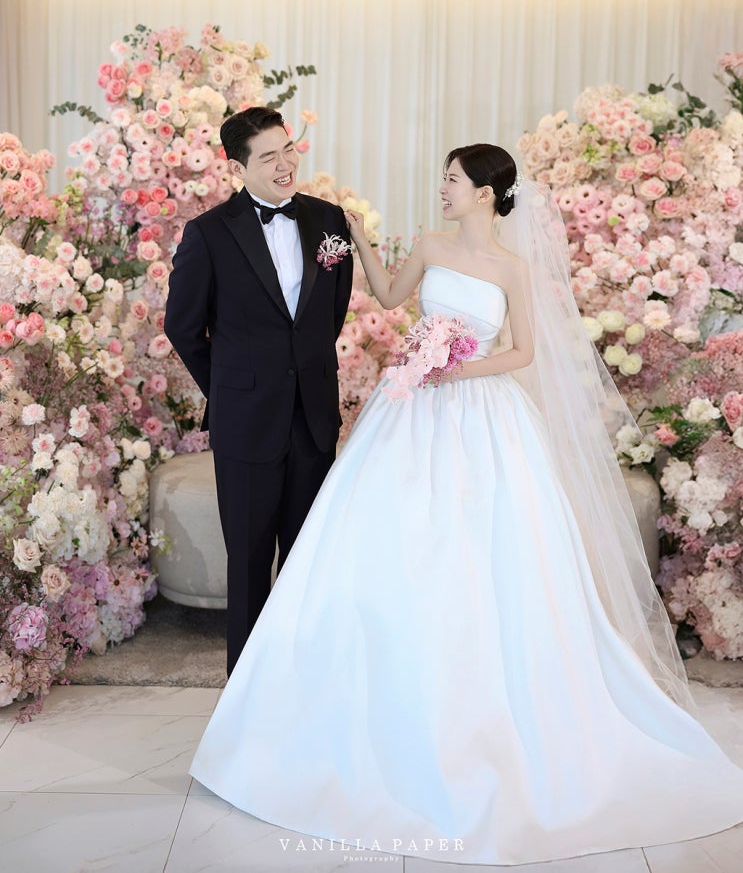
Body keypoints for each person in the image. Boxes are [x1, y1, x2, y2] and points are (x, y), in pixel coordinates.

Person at [189, 144, 743, 865]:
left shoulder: (513, 268)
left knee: (488, 553)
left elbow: (522, 351)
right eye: (443, 179)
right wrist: (359, 238)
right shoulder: (429, 245)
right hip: (408, 411)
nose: (443, 189)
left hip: (482, 411)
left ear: (486, 192)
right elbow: (389, 296)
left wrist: (457, 366)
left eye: (452, 180)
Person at [163, 106, 353, 676]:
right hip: (245, 423)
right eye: (268, 157)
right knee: (248, 563)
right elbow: (182, 327)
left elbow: (330, 313)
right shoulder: (208, 234)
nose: (285, 163)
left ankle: (301, 683)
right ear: (238, 167)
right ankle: (247, 695)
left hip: (313, 419)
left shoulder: (329, 221)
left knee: (306, 561)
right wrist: (230, 388)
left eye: (287, 149)